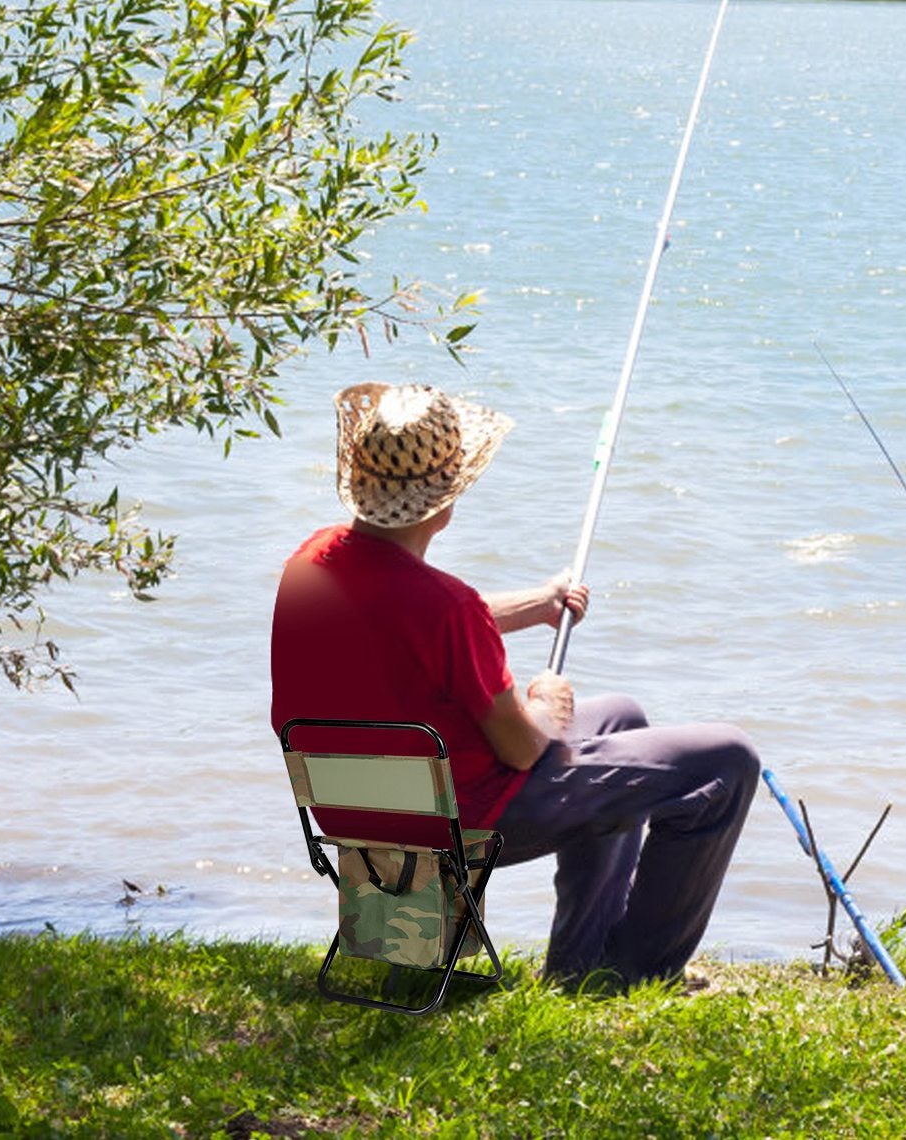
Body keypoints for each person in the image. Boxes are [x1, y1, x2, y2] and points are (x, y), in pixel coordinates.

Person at [270, 380, 759, 990]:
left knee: (621, 715)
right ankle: (632, 973)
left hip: (364, 813)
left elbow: (412, 624)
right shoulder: (446, 608)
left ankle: (581, 962)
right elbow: (523, 747)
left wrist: (538, 604)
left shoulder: (310, 564)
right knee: (729, 761)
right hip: (462, 820)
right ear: (446, 503)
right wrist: (546, 704)